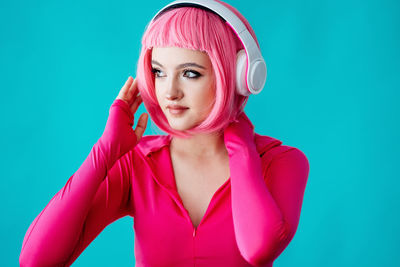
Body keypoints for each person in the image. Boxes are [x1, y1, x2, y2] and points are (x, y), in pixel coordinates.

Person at [19, 0, 310, 266]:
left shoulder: (281, 162)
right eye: (158, 72)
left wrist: (241, 144)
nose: (169, 92)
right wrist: (104, 152)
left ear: (238, 76)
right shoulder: (137, 162)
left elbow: (259, 248)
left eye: (190, 73)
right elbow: (36, 260)